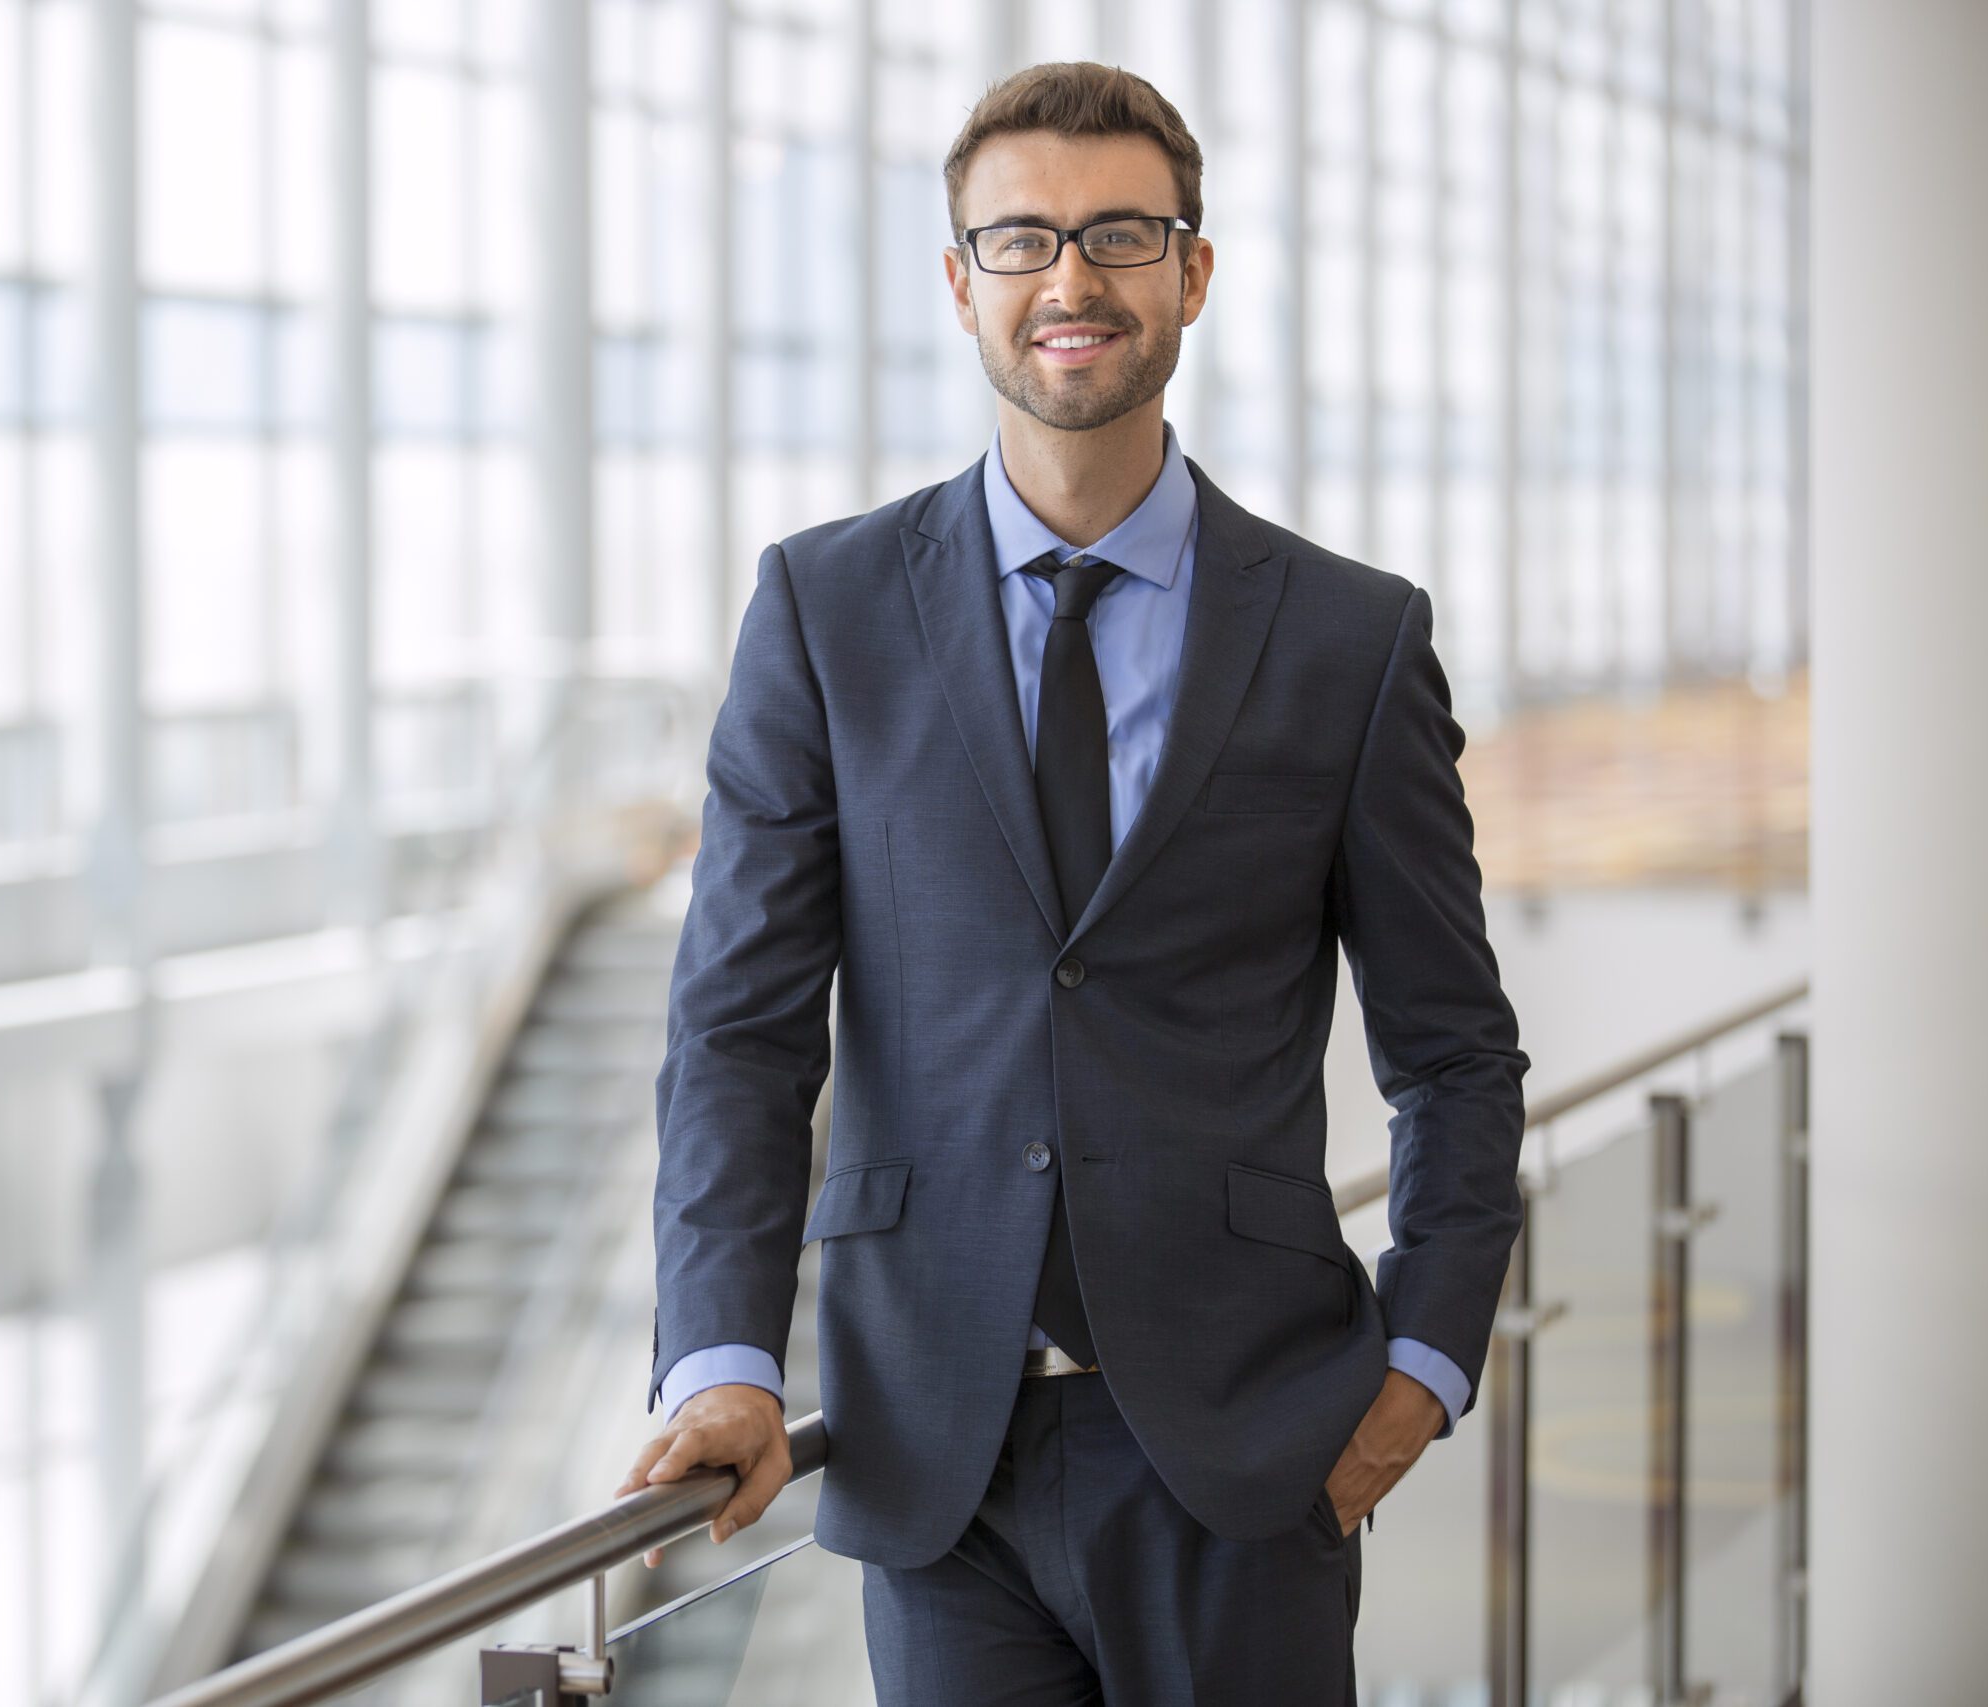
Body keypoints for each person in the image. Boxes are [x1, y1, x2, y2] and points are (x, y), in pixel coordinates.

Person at [614, 60, 1529, 1703]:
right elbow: (742, 1029)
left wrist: (1424, 1364)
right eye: (1022, 239)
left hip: (1250, 1450)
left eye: (1119, 234)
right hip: (926, 1449)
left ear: (1193, 270)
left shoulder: (1349, 638)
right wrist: (723, 1352)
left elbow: (1454, 1052)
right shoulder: (824, 613)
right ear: (961, 284)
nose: (1071, 281)